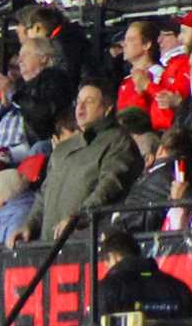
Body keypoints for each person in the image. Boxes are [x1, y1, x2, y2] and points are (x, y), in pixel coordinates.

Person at [38, 81, 144, 242]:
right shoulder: (62, 149)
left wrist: (78, 219)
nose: (80, 107)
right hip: (48, 243)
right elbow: (44, 194)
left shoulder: (118, 141)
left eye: (89, 101)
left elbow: (110, 186)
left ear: (107, 108)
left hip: (86, 242)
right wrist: (29, 225)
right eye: (78, 101)